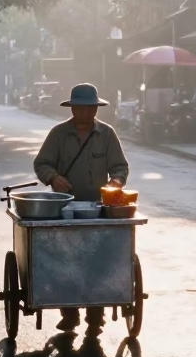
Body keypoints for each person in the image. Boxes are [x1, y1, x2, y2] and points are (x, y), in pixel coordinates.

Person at [34, 83, 130, 337]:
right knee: (66, 260)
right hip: (65, 208)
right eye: (81, 108)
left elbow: (120, 167)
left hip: (99, 208)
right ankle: (70, 313)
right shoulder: (58, 134)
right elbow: (41, 163)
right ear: (73, 108)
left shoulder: (107, 134)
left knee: (97, 262)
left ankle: (96, 316)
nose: (86, 113)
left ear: (96, 108)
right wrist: (53, 178)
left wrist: (116, 182)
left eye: (90, 108)